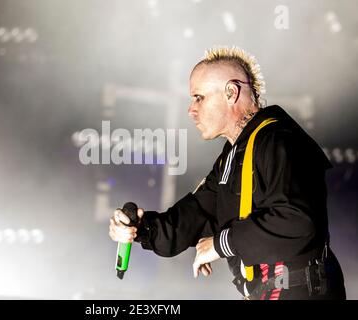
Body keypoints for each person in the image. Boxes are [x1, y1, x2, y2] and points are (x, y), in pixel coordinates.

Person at [108, 46, 346, 300]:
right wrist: (138, 228)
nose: (191, 110)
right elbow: (191, 218)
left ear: (231, 92)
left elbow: (297, 221)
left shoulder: (278, 140)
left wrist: (221, 244)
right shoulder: (231, 158)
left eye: (199, 97)